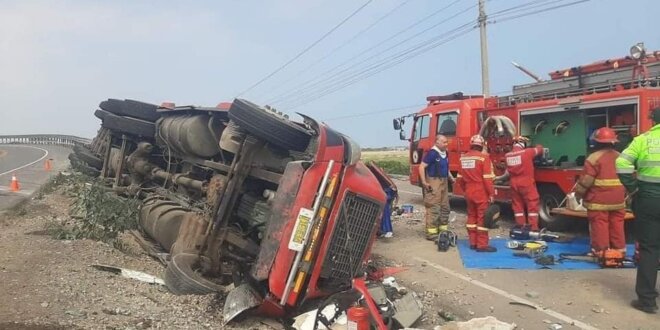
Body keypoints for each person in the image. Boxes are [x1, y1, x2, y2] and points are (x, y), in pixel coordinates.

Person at [616, 107, 660, 314]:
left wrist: (633, 189)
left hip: (649, 199)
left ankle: (647, 301)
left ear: (653, 121)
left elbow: (622, 163)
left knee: (650, 249)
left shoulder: (643, 140)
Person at [573, 127, 626, 255]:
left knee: (600, 224)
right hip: (618, 199)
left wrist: (578, 194)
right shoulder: (621, 157)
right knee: (617, 224)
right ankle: (619, 250)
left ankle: (601, 252)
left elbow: (586, 181)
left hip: (599, 199)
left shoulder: (593, 158)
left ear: (596, 142)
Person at [456, 135, 497, 252]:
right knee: (482, 217)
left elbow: (459, 179)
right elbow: (487, 179)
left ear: (471, 144)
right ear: (482, 145)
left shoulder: (462, 158)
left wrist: (465, 190)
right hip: (481, 191)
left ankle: (473, 242)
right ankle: (482, 245)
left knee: (471, 216)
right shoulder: (484, 158)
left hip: (468, 190)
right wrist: (491, 194)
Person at [500, 136, 544, 231]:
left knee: (517, 204)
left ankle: (521, 225)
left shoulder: (507, 155)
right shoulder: (527, 152)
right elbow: (540, 150)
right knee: (532, 202)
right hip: (526, 182)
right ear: (522, 143)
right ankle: (533, 227)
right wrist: (538, 145)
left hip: (513, 183)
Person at [418, 134, 455, 241]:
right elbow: (422, 166)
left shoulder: (445, 153)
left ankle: (442, 230)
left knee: (445, 208)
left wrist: (451, 178)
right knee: (434, 207)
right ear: (437, 142)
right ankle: (431, 233)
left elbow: (446, 168)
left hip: (443, 182)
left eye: (446, 142)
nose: (446, 144)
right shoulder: (432, 153)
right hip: (433, 181)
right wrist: (424, 182)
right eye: (444, 142)